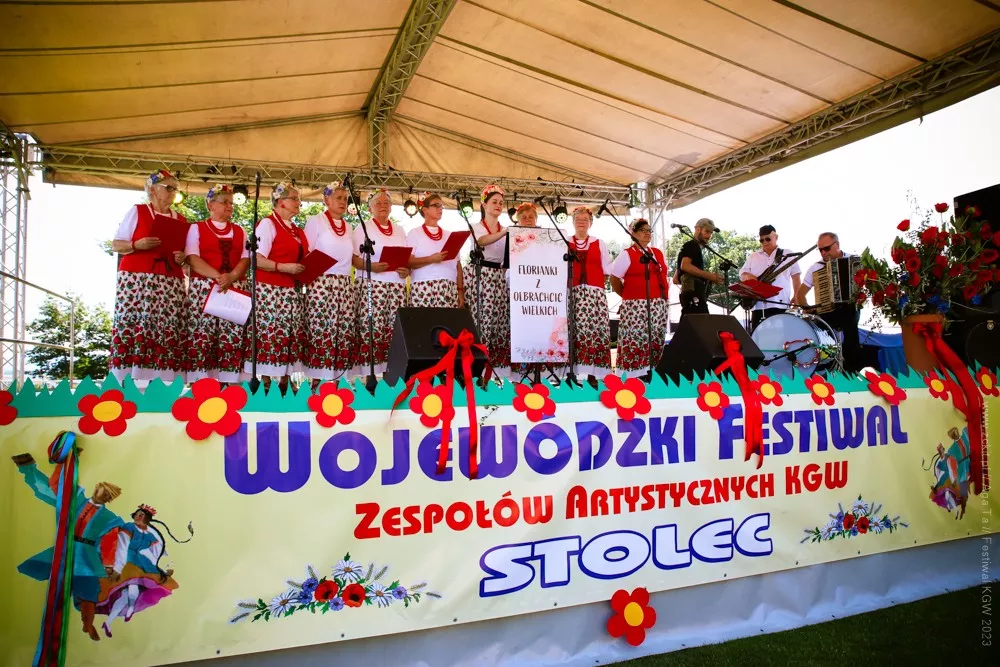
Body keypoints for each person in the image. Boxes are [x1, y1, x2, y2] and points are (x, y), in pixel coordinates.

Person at [12, 453, 124, 642]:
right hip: (65, 550)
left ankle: (88, 624)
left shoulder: (109, 518)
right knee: (58, 586)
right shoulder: (76, 499)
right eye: (103, 491)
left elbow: (110, 542)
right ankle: (27, 467)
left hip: (87, 557)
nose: (104, 496)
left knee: (88, 591)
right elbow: (56, 487)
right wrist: (67, 462)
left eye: (108, 496)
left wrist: (108, 565)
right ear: (97, 488)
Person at [109, 169, 189, 383]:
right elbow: (116, 244)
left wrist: (182, 257)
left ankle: (164, 381)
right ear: (153, 189)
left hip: (169, 281)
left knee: (166, 327)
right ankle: (128, 379)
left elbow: (186, 256)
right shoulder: (138, 211)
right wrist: (137, 244)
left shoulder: (180, 219)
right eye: (169, 188)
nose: (173, 192)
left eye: (176, 189)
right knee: (136, 323)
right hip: (137, 280)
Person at [183, 184, 249, 383]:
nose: (230, 206)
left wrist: (232, 276)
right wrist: (220, 277)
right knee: (204, 335)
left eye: (231, 203)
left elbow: (245, 258)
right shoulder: (196, 228)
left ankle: (231, 383)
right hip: (205, 289)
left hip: (234, 288)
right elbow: (192, 257)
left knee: (233, 336)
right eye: (225, 202)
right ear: (211, 205)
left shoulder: (240, 231)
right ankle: (203, 383)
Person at [248, 182, 309, 393]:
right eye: (295, 198)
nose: (299, 202)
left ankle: (285, 380)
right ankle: (266, 381)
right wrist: (283, 267)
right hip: (269, 289)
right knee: (269, 333)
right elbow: (256, 258)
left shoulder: (296, 230)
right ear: (281, 202)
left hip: (291, 290)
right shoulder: (268, 224)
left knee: (288, 334)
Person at [302, 181, 360, 384]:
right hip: (321, 282)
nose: (343, 202)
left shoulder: (349, 226)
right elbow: (305, 252)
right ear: (326, 200)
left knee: (343, 330)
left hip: (344, 283)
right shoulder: (316, 221)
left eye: (345, 199)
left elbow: (352, 257)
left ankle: (338, 381)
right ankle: (316, 382)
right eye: (338, 198)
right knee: (321, 328)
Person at [98, 504, 183, 637]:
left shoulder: (149, 534)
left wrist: (165, 568)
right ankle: (129, 610)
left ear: (147, 518)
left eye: (141, 515)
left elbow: (158, 552)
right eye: (136, 514)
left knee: (126, 595)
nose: (137, 516)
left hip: (141, 562)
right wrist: (118, 567)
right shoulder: (129, 527)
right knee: (132, 591)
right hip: (127, 561)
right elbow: (122, 546)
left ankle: (108, 622)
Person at [353, 189, 410, 377]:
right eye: (378, 203)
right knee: (372, 328)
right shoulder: (363, 228)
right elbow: (353, 258)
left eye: (386, 203)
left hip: (396, 286)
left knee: (394, 330)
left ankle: (390, 375)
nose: (383, 206)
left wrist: (406, 270)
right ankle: (369, 376)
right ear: (370, 208)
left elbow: (406, 258)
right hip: (373, 284)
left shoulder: (400, 230)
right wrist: (371, 266)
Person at [610, 218, 670, 379]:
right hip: (635, 306)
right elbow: (614, 279)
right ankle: (633, 375)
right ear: (634, 233)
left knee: (656, 338)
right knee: (635, 339)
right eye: (643, 230)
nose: (647, 233)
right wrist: (629, 297)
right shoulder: (627, 254)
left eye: (649, 230)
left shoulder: (657, 253)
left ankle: (653, 373)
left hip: (658, 304)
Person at [463, 184, 512, 378]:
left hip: (498, 277)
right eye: (494, 202)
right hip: (480, 275)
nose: (498, 205)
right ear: (484, 205)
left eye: (501, 202)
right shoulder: (477, 227)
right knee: (480, 323)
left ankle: (491, 374)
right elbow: (481, 241)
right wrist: (505, 233)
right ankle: (473, 371)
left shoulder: (504, 229)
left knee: (497, 324)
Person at [795, 232, 861, 372]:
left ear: (837, 245)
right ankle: (825, 371)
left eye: (826, 248)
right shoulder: (815, 268)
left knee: (852, 338)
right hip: (827, 311)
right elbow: (800, 294)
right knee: (822, 339)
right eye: (820, 250)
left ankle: (851, 373)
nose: (823, 253)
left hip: (850, 309)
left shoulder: (854, 261)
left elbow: (867, 284)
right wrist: (808, 308)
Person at [568, 206, 612, 382]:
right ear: (573, 222)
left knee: (595, 332)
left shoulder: (599, 243)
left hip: (594, 295)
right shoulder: (565, 242)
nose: (581, 222)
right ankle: (571, 372)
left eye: (585, 219)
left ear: (591, 223)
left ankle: (594, 374)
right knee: (574, 332)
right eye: (578, 219)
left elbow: (607, 270)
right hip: (573, 294)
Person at [739, 224, 801, 330]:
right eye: (761, 240)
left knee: (783, 336)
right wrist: (749, 276)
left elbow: (796, 277)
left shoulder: (787, 254)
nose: (765, 242)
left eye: (768, 239)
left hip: (781, 304)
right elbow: (742, 274)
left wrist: (797, 296)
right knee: (757, 337)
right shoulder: (753, 256)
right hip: (758, 306)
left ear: (776, 237)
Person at [407, 193, 464, 308]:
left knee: (447, 320)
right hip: (423, 286)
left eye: (441, 206)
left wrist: (460, 291)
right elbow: (408, 261)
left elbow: (458, 265)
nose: (440, 208)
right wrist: (431, 259)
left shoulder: (449, 235)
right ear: (425, 210)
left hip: (448, 287)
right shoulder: (415, 233)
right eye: (436, 205)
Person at [677, 218, 724, 317]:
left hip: (689, 294)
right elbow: (685, 266)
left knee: (691, 323)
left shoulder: (689, 247)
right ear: (698, 229)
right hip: (693, 294)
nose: (709, 235)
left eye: (711, 233)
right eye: (707, 231)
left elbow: (675, 279)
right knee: (703, 323)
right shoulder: (692, 245)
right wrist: (709, 276)